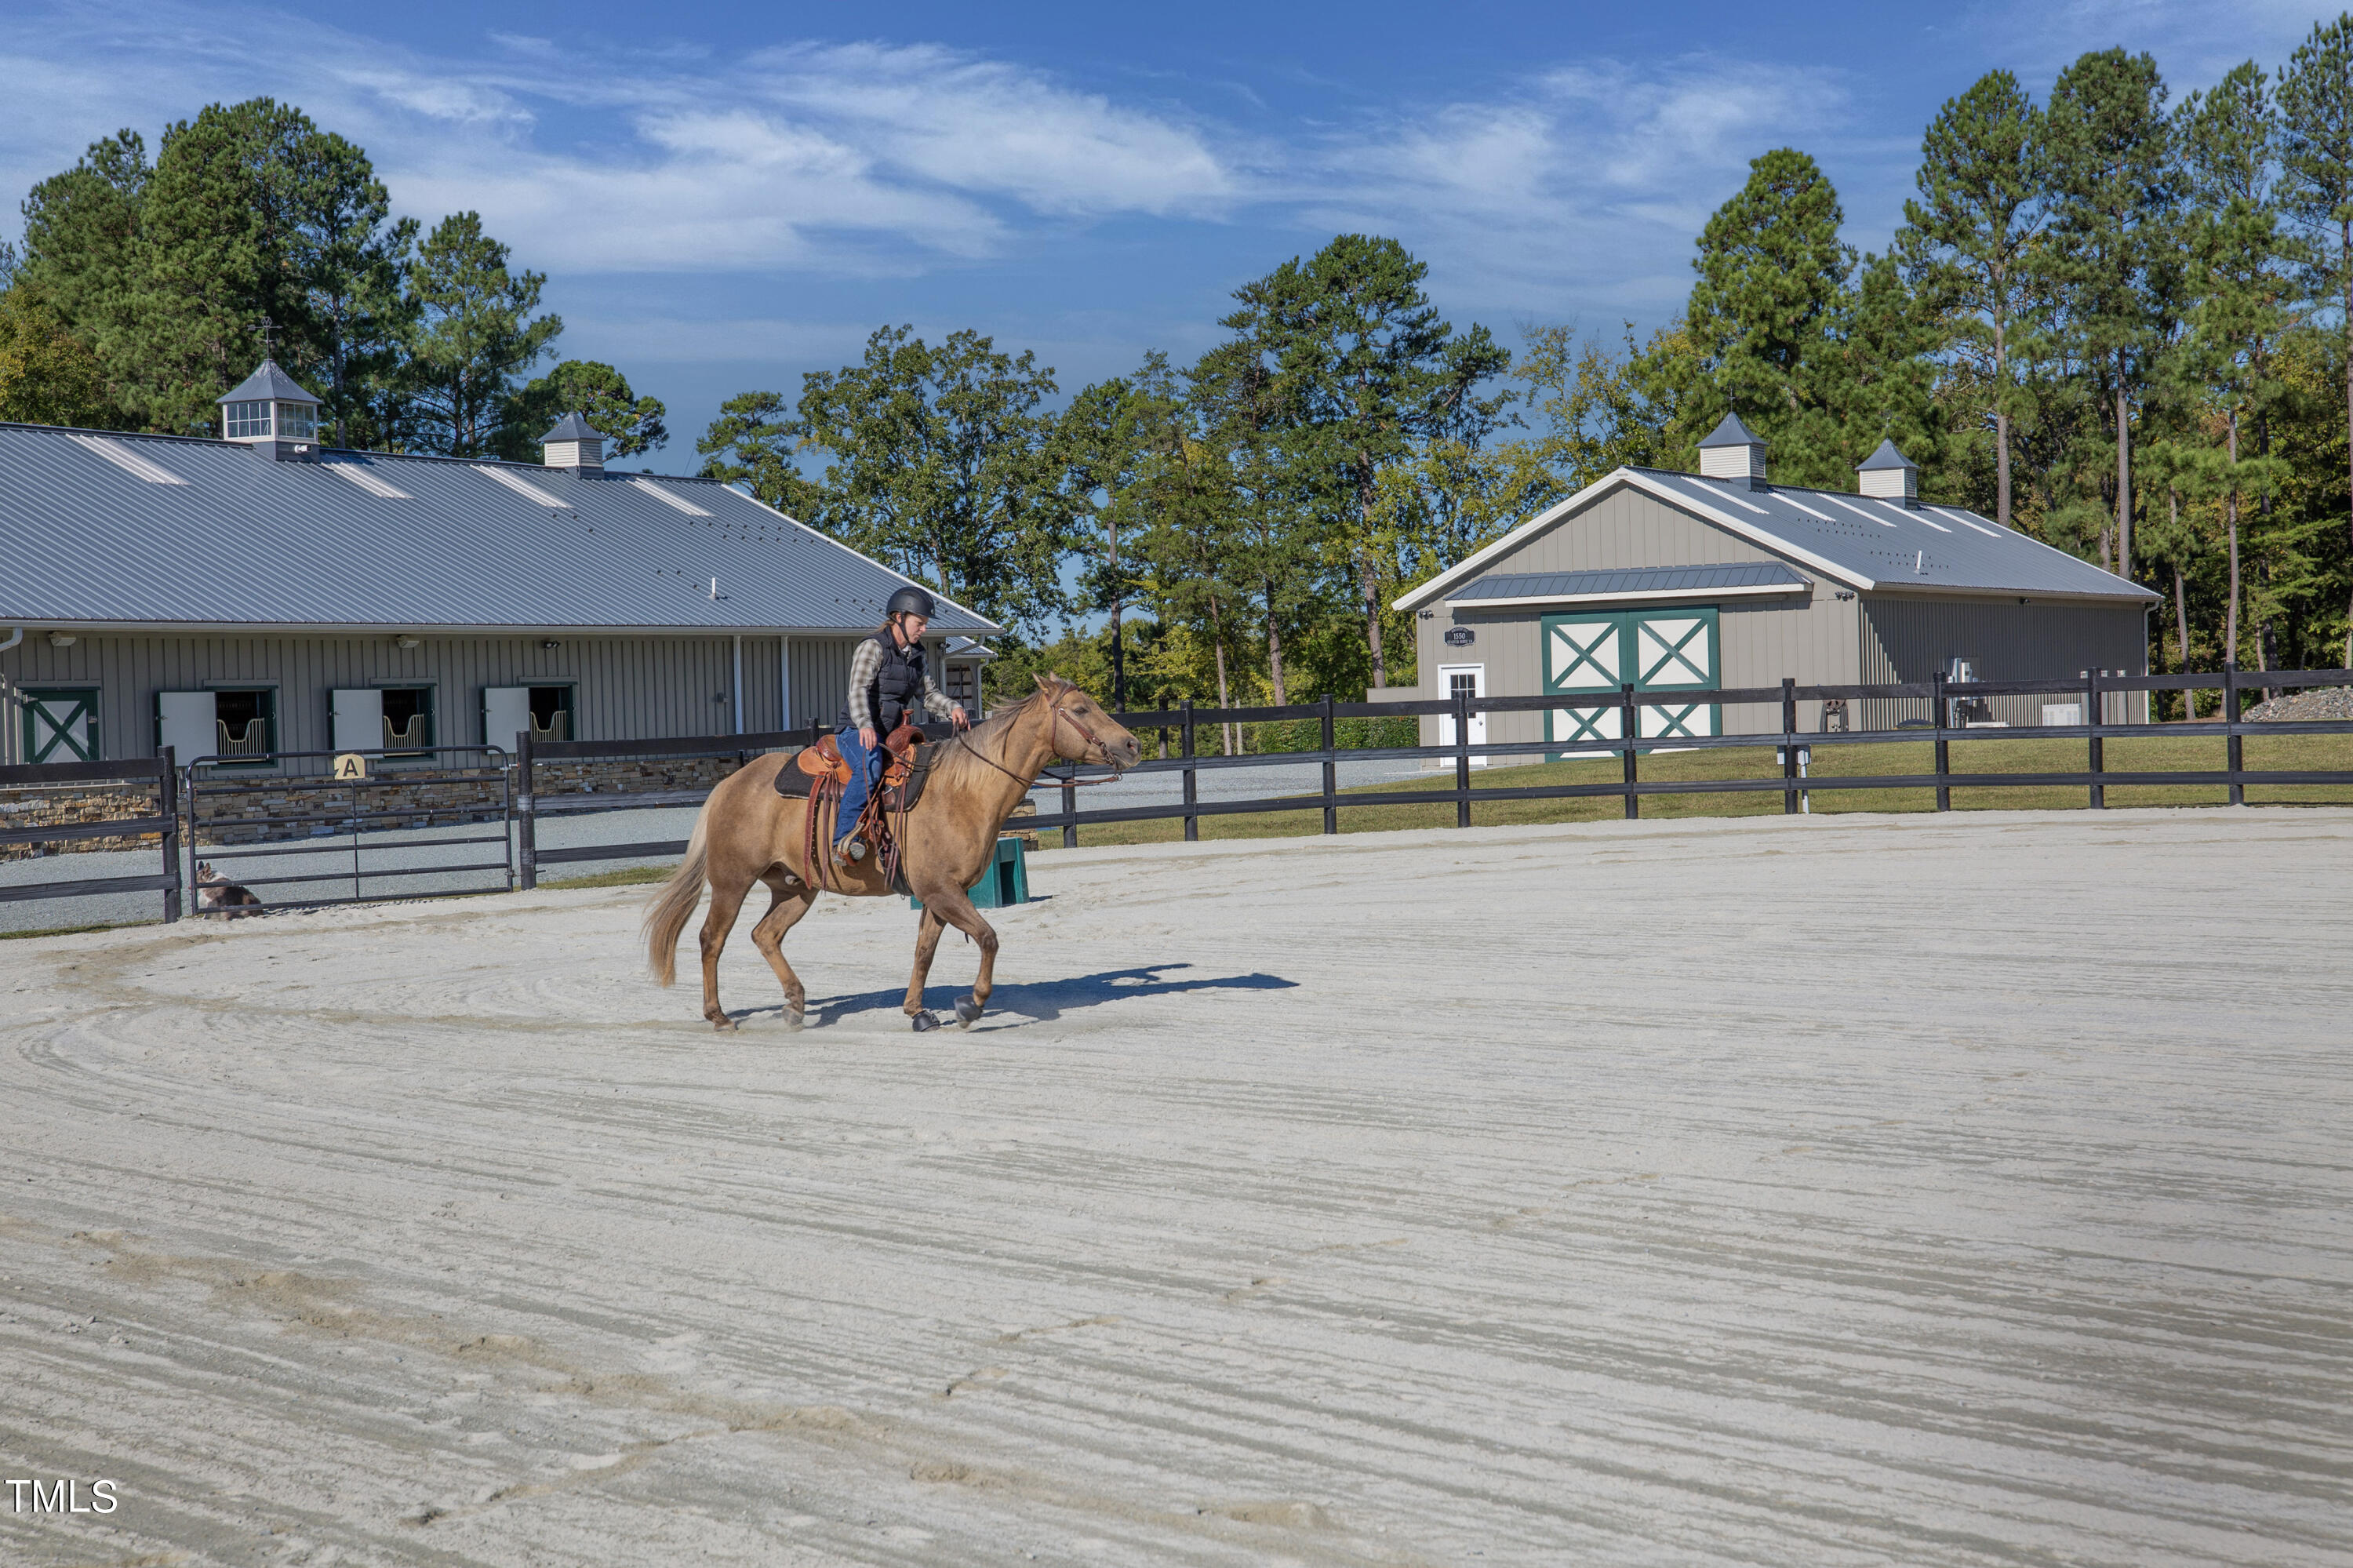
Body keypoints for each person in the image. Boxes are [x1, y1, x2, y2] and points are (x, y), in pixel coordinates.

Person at [833, 584, 972, 864]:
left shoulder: (916, 655)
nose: (924, 629)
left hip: (889, 734)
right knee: (870, 766)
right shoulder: (873, 647)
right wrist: (865, 725)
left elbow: (927, 694)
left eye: (925, 624)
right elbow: (858, 690)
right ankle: (842, 839)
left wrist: (953, 708)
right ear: (899, 617)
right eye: (919, 623)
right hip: (856, 730)